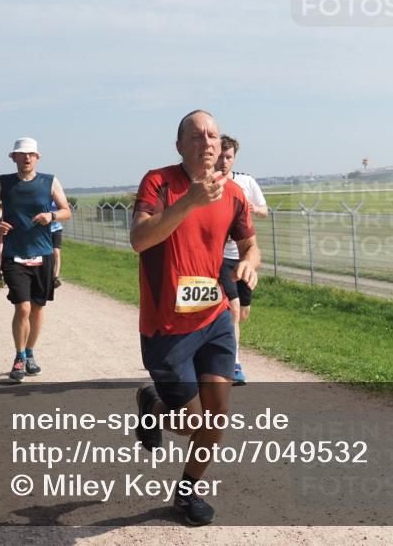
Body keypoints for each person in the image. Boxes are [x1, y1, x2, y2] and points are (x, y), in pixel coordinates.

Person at [130, 110, 260, 527]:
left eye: (214, 135)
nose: (208, 141)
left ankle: (187, 492)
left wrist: (250, 263)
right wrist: (189, 201)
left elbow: (250, 245)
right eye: (198, 135)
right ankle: (150, 402)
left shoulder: (235, 194)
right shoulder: (159, 182)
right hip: (166, 325)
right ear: (180, 145)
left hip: (215, 315)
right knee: (189, 423)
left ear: (222, 146)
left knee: (218, 416)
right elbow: (139, 239)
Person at [0, 137, 71, 383]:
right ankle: (19, 356)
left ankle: (31, 353)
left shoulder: (50, 181)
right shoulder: (3, 182)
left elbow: (66, 211)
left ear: (37, 157)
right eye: (21, 154)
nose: (26, 158)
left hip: (42, 252)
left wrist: (51, 215)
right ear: (13, 157)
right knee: (22, 307)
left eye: (31, 154)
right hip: (15, 253)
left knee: (37, 308)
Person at [215, 135, 268, 386]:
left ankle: (215, 350)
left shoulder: (246, 182)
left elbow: (264, 210)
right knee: (233, 310)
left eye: (228, 157)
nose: (224, 161)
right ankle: (233, 364)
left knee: (242, 312)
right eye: (220, 156)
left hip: (243, 257)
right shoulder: (210, 185)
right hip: (220, 257)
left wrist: (248, 208)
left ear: (234, 158)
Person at [49, 199, 63, 289]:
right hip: (44, 230)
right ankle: (47, 275)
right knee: (47, 254)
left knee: (56, 252)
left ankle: (55, 278)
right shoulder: (42, 197)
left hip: (56, 229)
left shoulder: (57, 200)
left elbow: (64, 209)